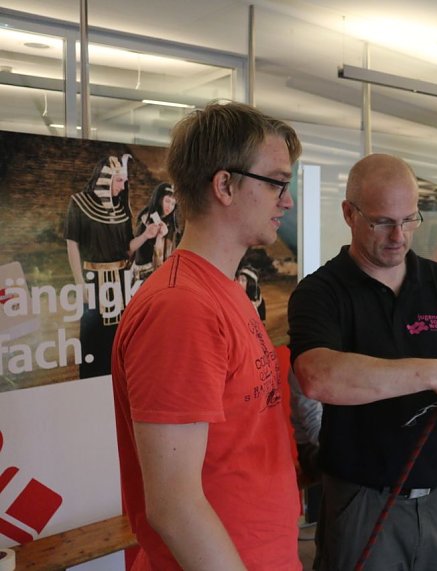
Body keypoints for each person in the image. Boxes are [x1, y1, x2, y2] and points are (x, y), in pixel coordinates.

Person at [288, 153, 437, 571]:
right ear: (349, 214)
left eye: (410, 220)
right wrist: (433, 371)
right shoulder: (322, 292)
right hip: (360, 501)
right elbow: (318, 377)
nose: (399, 236)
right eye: (382, 222)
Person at [111, 102, 303, 570]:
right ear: (224, 186)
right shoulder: (182, 309)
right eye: (277, 182)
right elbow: (174, 506)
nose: (288, 200)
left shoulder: (224, 290)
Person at [65, 154, 151, 378]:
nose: (123, 187)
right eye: (120, 181)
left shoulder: (121, 209)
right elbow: (72, 245)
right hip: (94, 281)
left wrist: (146, 236)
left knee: (119, 336)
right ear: (105, 178)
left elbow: (127, 249)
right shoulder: (79, 203)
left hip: (120, 283)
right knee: (94, 335)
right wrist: (79, 282)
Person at [130, 182, 180, 282]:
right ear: (159, 199)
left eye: (173, 204)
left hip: (160, 273)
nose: (169, 206)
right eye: (167, 201)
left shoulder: (170, 224)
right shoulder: (146, 219)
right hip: (142, 274)